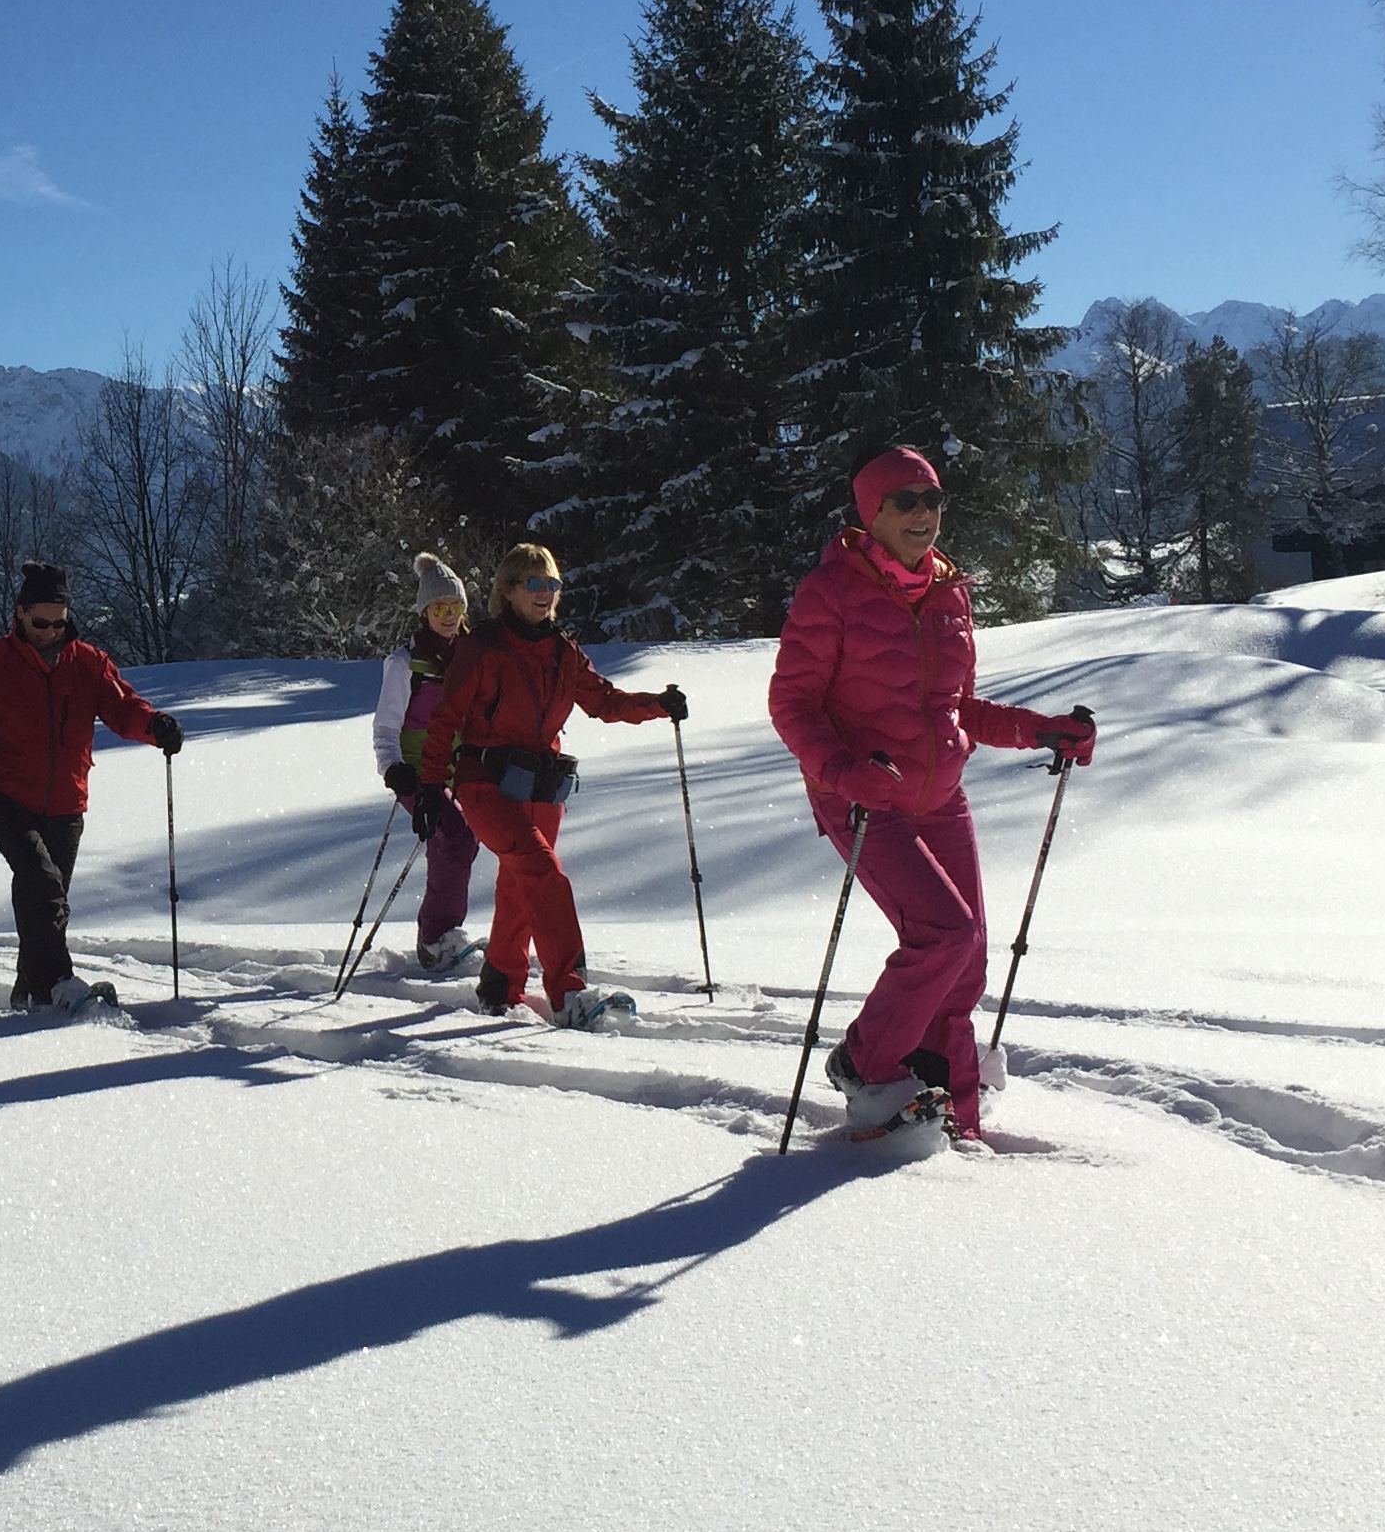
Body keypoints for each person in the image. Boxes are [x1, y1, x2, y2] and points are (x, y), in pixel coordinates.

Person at [766, 447, 1099, 1146]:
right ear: (872, 512)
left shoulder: (949, 591)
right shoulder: (831, 591)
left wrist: (1039, 730)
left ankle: (958, 1125)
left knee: (965, 963)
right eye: (905, 501)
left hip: (941, 794)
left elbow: (955, 708)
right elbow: (792, 703)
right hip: (862, 798)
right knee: (943, 933)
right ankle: (865, 1064)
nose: (923, 513)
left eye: (933, 499)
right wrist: (842, 769)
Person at [416, 544, 684, 1028]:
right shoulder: (482, 647)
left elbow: (605, 702)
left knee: (521, 886)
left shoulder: (563, 650)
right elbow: (445, 718)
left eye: (553, 584)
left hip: (542, 786)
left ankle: (499, 987)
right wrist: (432, 788)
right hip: (485, 783)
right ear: (508, 591)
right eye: (534, 584)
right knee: (544, 874)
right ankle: (569, 994)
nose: (546, 593)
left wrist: (658, 705)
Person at [0, 560, 183, 1011]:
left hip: (67, 798)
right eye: (41, 623)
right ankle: (59, 985)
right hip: (3, 793)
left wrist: (155, 725)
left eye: (59, 623)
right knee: (42, 883)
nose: (50, 632)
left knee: (47, 897)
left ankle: (30, 991)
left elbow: (124, 709)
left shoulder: (88, 663)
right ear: (21, 614)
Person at [371, 552, 485, 974]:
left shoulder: (472, 656)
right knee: (456, 837)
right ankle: (438, 938)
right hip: (416, 772)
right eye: (439, 609)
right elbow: (386, 727)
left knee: (456, 841)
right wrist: (393, 769)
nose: (449, 616)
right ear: (424, 612)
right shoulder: (404, 664)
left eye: (456, 607)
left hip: (461, 770)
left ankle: (438, 936)